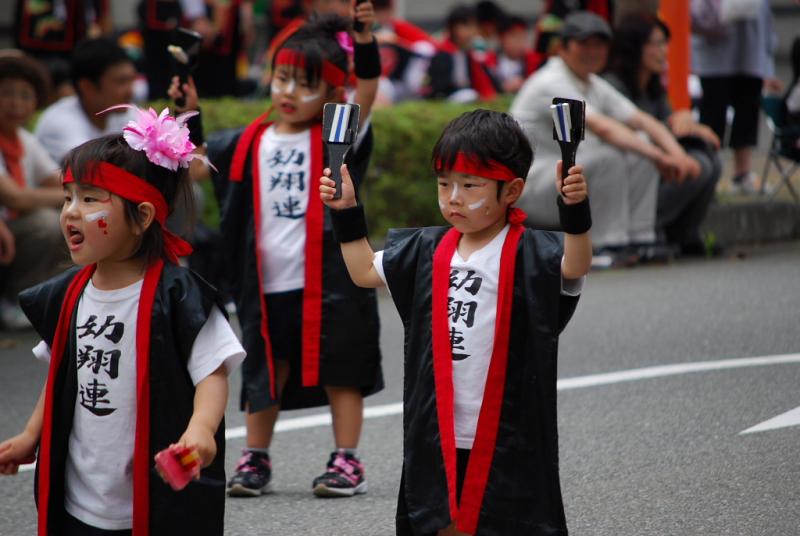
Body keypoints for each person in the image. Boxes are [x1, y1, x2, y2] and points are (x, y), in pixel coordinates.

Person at [319, 109, 592, 535]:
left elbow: (574, 265)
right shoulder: (425, 248)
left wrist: (574, 211)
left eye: (470, 185)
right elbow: (363, 272)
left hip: (510, 432)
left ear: (512, 191)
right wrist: (346, 210)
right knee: (439, 519)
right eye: (444, 184)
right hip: (437, 427)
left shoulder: (530, 252)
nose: (453, 197)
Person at [0, 107, 245, 535]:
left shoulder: (179, 296)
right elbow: (60, 371)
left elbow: (213, 372)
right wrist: (30, 435)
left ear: (143, 217)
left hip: (150, 494)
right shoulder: (67, 294)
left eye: (91, 198)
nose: (72, 212)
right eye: (68, 197)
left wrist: (201, 430)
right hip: (79, 494)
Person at [182, 10, 384, 498]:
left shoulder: (339, 136)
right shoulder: (248, 141)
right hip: (265, 281)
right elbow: (194, 167)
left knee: (343, 370)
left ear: (336, 92)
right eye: (282, 79)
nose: (288, 92)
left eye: (305, 83)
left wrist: (365, 40)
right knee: (265, 370)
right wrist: (187, 112)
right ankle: (255, 456)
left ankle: (346, 459)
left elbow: (370, 93)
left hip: (335, 278)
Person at [511, 11, 699, 265]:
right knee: (611, 156)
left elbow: (642, 120)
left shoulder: (589, 81)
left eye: (599, 44)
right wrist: (661, 157)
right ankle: (605, 245)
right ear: (562, 48)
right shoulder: (550, 81)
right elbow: (605, 128)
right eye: (584, 43)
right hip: (532, 188)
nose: (593, 51)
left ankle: (640, 239)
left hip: (562, 180)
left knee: (639, 143)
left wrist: (677, 155)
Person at [605, 14, 723, 256]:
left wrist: (687, 123)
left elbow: (669, 125)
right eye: (656, 44)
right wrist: (678, 129)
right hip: (631, 164)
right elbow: (640, 130)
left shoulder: (653, 85)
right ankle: (652, 227)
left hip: (656, 159)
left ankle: (685, 233)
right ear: (634, 48)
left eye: (664, 44)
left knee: (711, 159)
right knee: (698, 164)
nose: (664, 51)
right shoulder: (613, 85)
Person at [0, 52, 67, 329]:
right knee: (45, 222)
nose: (17, 103)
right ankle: (18, 300)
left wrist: (96, 186)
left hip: (11, 228)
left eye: (25, 96)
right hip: (8, 228)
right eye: (7, 94)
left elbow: (57, 178)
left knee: (74, 216)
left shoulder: (23, 139)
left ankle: (52, 296)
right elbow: (15, 197)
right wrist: (74, 196)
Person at [691, 0, 779, 193]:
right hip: (713, 47)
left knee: (747, 109)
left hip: (751, 45)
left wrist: (767, 62)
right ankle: (707, 173)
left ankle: (742, 174)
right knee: (712, 113)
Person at [35, 38, 138, 164]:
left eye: (132, 80)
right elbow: (89, 172)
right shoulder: (60, 122)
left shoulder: (128, 113)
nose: (131, 91)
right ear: (87, 87)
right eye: (121, 81)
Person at [425, 5, 497, 103]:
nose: (471, 32)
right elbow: (437, 87)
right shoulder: (441, 53)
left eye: (474, 26)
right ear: (453, 28)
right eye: (466, 26)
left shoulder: (471, 54)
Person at [485, 15, 544, 94]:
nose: (519, 42)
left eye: (522, 37)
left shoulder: (536, 61)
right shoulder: (487, 61)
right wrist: (502, 87)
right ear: (501, 38)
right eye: (514, 36)